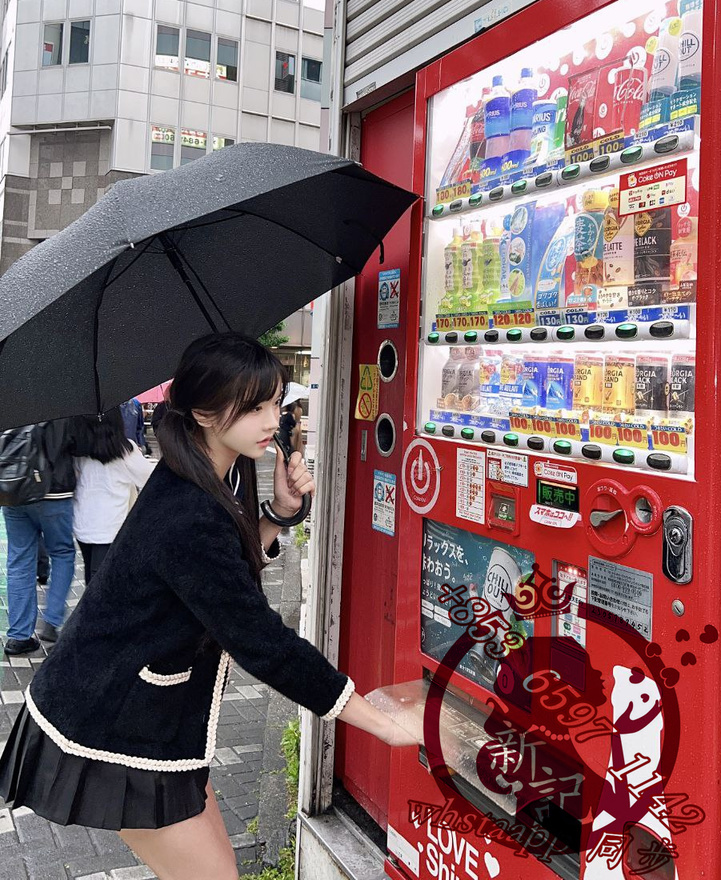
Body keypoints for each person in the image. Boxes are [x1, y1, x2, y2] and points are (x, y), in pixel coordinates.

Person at [0, 333, 419, 880]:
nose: (272, 419)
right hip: (110, 726)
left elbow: (220, 580)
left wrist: (277, 512)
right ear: (202, 412)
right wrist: (377, 722)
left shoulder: (209, 477)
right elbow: (260, 641)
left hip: (152, 723)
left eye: (274, 402)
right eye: (254, 406)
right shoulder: (188, 509)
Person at [2, 420, 78, 654]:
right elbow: (71, 444)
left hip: (13, 491)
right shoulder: (61, 403)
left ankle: (19, 635)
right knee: (62, 553)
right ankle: (52, 620)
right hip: (54, 491)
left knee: (19, 560)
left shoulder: (9, 398)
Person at [72, 409, 156, 584]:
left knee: (92, 577)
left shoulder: (79, 451)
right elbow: (150, 479)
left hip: (83, 524)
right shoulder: (125, 451)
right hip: (110, 528)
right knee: (100, 585)